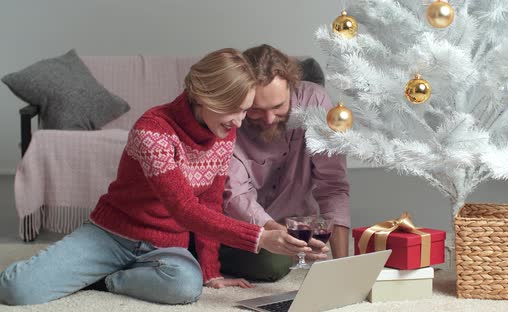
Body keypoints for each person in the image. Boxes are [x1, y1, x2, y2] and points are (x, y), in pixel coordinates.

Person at [0, 48, 326, 306]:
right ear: (205, 98)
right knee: (17, 289)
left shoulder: (222, 133)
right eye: (234, 109)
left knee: (186, 287)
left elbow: (210, 203)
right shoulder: (152, 129)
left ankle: (106, 279)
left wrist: (211, 273)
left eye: (245, 110)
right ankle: (97, 266)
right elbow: (183, 207)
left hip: (166, 246)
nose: (240, 122)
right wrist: (259, 238)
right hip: (111, 234)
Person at [219, 44, 350, 282]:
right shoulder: (230, 119)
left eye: (278, 107)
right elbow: (236, 197)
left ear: (292, 86)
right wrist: (281, 237)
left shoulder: (315, 101)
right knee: (273, 264)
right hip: (246, 229)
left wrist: (342, 265)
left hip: (297, 225)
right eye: (256, 110)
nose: (268, 119)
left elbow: (333, 185)